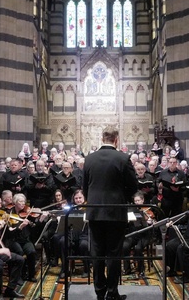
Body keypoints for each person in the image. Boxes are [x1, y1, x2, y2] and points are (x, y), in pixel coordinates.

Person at [83, 125, 138, 300]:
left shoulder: (89, 159)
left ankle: (99, 291)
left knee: (97, 253)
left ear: (102, 138)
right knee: (114, 253)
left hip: (95, 212)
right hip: (116, 212)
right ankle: (112, 293)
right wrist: (123, 198)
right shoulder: (123, 158)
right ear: (116, 139)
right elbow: (134, 186)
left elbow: (84, 187)